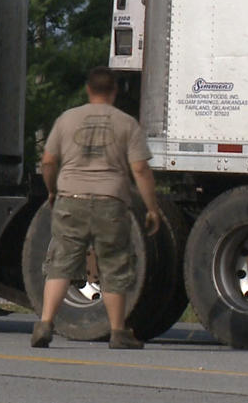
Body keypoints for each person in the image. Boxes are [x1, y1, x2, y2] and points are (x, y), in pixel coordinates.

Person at [32, 66, 161, 350]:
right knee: (114, 263)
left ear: (89, 90)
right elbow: (140, 168)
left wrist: (53, 190)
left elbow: (49, 161)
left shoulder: (67, 119)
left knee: (62, 262)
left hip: (71, 199)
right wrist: (152, 208)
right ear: (114, 91)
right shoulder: (127, 123)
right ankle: (117, 331)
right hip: (110, 202)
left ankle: (45, 324)